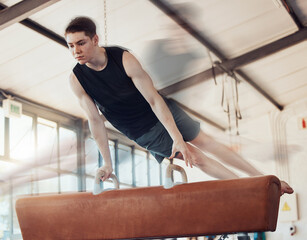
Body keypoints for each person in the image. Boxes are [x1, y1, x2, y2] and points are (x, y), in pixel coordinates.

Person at [65, 16, 293, 195]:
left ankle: (264, 179)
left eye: (81, 43)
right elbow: (95, 121)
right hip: (142, 131)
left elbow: (154, 99)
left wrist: (176, 137)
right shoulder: (77, 79)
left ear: (95, 39)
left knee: (207, 142)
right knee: (195, 156)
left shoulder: (123, 59)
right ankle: (251, 188)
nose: (76, 51)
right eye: (71, 45)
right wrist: (107, 163)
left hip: (161, 110)